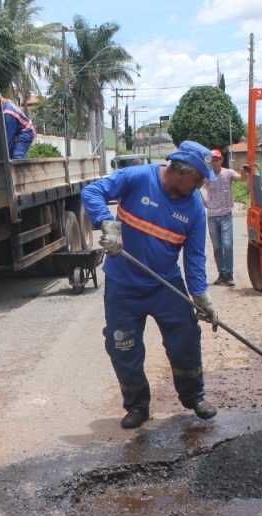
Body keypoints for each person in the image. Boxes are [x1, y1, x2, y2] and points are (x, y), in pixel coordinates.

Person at [82, 140, 220, 429]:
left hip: (165, 285)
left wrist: (200, 296)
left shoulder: (195, 207)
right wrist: (106, 222)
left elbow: (194, 256)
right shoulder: (137, 177)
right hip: (123, 285)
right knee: (123, 346)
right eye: (198, 179)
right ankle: (137, 406)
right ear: (182, 171)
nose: (200, 185)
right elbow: (92, 191)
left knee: (185, 336)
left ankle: (194, 396)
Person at [204, 149, 242, 286]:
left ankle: (229, 275)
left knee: (227, 244)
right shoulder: (207, 175)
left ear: (221, 160)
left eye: (217, 159)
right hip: (212, 215)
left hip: (226, 214)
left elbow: (241, 178)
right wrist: (204, 202)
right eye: (212, 160)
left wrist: (245, 171)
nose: (215, 162)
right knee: (217, 246)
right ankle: (222, 274)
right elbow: (195, 186)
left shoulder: (228, 173)